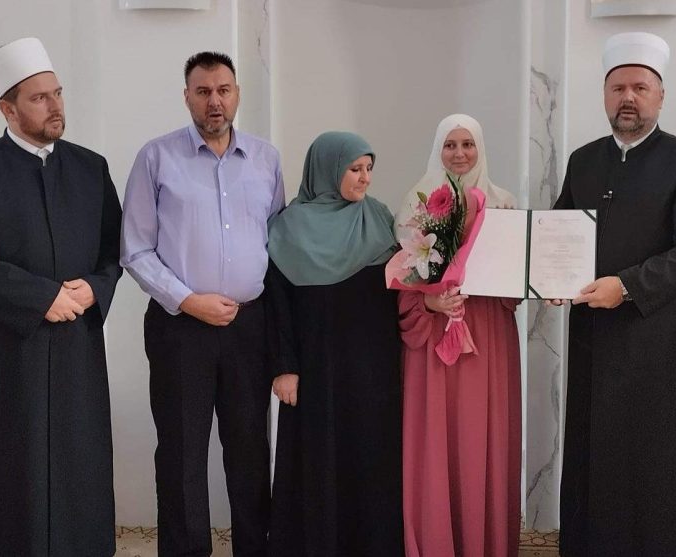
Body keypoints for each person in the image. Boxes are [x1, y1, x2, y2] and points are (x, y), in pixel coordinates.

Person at [0, 37, 122, 556]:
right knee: (9, 468)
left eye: (58, 93)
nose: (55, 105)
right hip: (5, 355)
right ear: (8, 108)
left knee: (79, 462)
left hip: (76, 351)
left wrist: (96, 288)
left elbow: (115, 251)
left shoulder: (91, 168)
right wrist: (42, 298)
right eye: (39, 98)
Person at [551, 32, 676, 557]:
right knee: (592, 455)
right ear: (605, 96)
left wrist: (627, 287)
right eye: (618, 88)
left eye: (640, 88)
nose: (628, 97)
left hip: (657, 345)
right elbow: (559, 230)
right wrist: (549, 280)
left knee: (652, 463)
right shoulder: (583, 160)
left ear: (660, 96)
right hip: (592, 339)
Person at [120, 51, 285, 556]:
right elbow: (135, 249)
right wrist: (188, 300)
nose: (215, 101)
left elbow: (277, 241)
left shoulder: (266, 159)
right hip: (179, 328)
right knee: (181, 452)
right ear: (187, 96)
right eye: (203, 91)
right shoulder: (156, 158)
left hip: (249, 328)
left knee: (250, 450)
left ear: (237, 94)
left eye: (224, 90)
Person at [267, 131, 403, 557]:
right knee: (317, 459)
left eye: (369, 169)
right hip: (316, 370)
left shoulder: (379, 218)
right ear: (326, 170)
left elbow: (402, 290)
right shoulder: (288, 227)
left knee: (370, 458)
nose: (365, 178)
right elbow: (277, 306)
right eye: (354, 169)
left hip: (373, 369)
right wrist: (284, 367)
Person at [398, 114, 521, 557]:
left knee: (480, 440)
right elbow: (403, 279)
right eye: (450, 145)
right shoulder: (416, 203)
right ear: (438, 149)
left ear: (480, 148)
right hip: (434, 335)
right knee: (436, 440)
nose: (459, 153)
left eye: (468, 144)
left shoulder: (503, 203)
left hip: (487, 336)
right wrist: (431, 303)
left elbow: (515, 282)